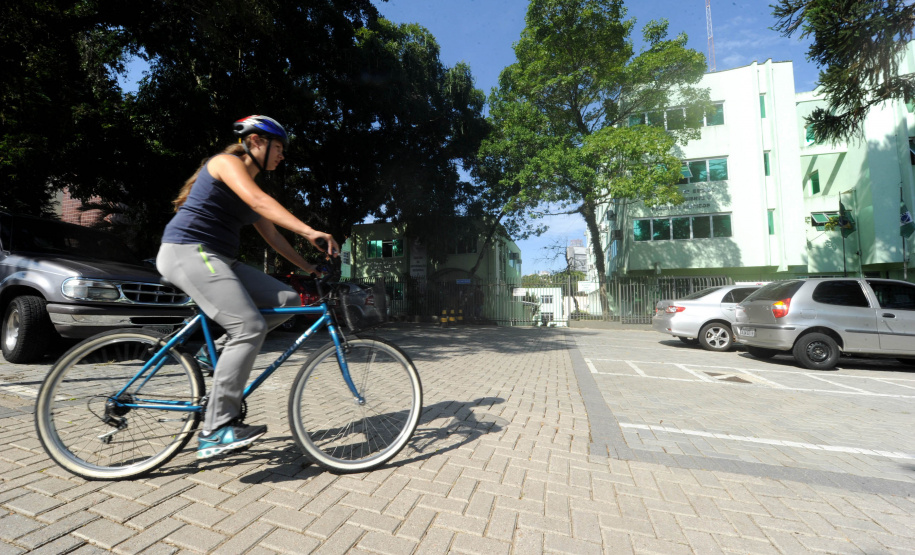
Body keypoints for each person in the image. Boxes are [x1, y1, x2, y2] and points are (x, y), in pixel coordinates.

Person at [156, 115, 339, 460]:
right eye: (279, 148)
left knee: (287, 299)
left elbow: (273, 238)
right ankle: (216, 429)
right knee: (250, 326)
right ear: (255, 141)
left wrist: (311, 267)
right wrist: (309, 230)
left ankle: (220, 353)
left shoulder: (252, 188)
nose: (282, 156)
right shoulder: (225, 164)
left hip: (219, 259)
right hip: (188, 251)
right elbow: (258, 202)